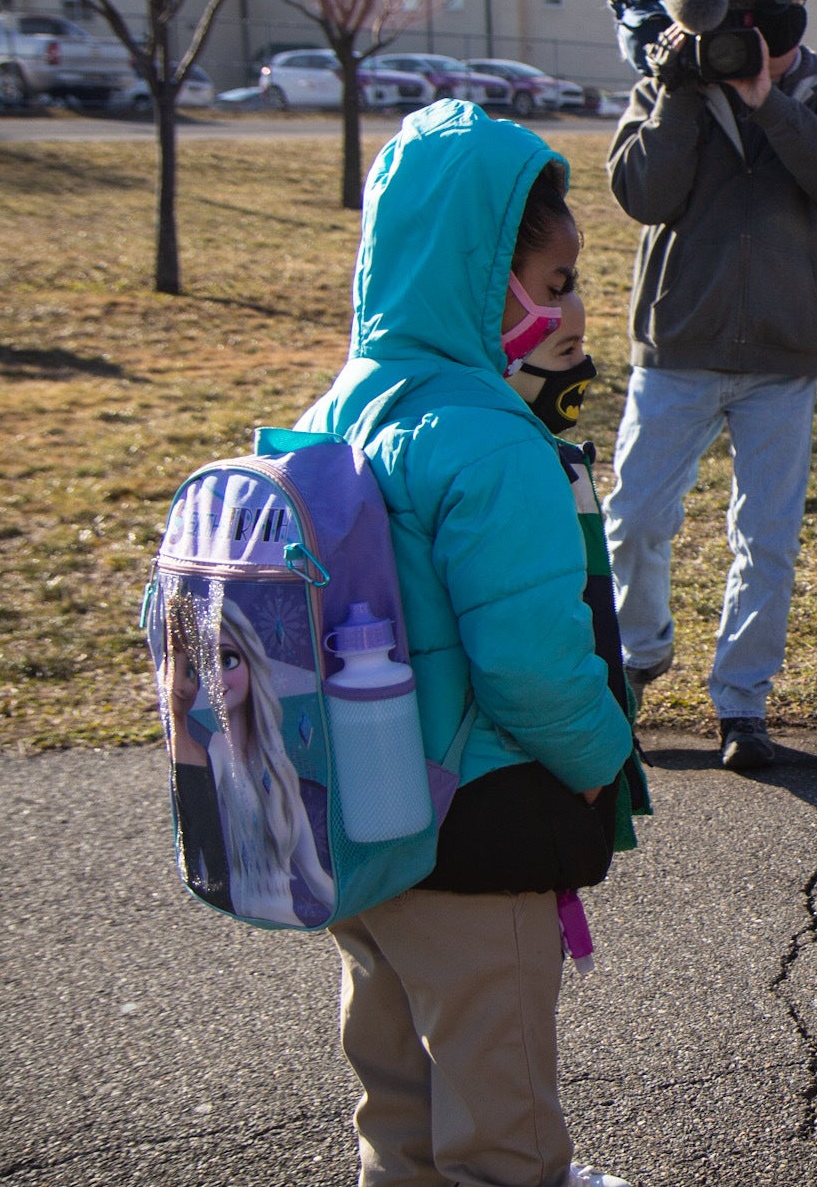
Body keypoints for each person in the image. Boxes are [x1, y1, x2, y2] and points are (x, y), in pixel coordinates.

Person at [298, 100, 640, 1187]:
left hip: (358, 819)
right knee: (502, 1117)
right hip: (475, 823)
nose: (578, 309)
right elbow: (533, 663)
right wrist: (600, 761)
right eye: (552, 286)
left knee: (395, 1088)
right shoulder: (490, 441)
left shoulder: (338, 405)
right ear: (476, 280)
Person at [603, 0, 817, 771]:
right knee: (636, 519)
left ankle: (742, 703)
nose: (764, 32)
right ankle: (637, 655)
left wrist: (768, 100)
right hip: (679, 341)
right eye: (749, 14)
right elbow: (641, 193)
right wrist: (680, 95)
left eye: (782, 13)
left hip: (783, 352)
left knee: (766, 537)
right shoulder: (667, 81)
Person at [160, 593, 335, 927]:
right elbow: (201, 846)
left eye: (227, 660)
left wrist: (360, 902)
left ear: (251, 660)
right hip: (246, 907)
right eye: (202, 666)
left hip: (293, 919)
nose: (217, 679)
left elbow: (315, 876)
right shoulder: (213, 752)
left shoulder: (279, 766)